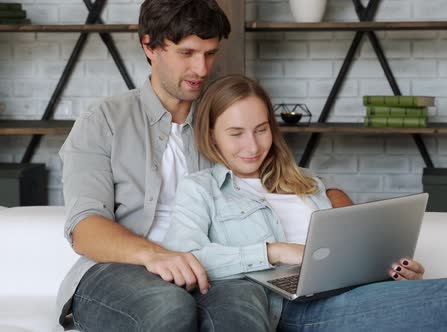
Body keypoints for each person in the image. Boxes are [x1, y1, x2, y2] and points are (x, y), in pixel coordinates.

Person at [161, 75, 447, 331]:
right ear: (211, 135)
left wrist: (391, 268)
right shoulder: (201, 190)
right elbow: (186, 257)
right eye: (235, 133)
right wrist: (273, 251)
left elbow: (341, 252)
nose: (252, 145)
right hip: (291, 311)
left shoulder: (306, 183)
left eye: (260, 129)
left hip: (349, 294)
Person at [57, 1, 349, 330]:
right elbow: (85, 229)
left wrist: (347, 231)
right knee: (169, 308)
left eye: (210, 54)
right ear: (149, 46)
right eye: (188, 53)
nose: (202, 69)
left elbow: (302, 178)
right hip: (123, 269)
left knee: (245, 310)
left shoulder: (222, 119)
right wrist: (156, 255)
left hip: (217, 271)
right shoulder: (104, 120)